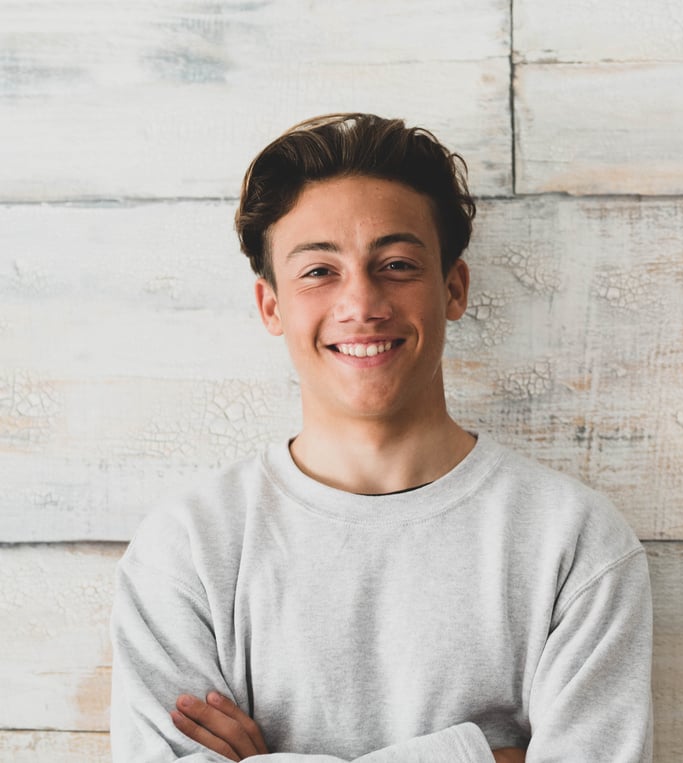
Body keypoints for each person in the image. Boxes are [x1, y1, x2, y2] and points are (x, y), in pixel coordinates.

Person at [109, 114, 653, 762]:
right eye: (319, 271)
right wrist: (479, 755)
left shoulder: (575, 543)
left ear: (453, 287)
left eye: (395, 264)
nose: (362, 302)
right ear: (271, 305)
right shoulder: (188, 549)